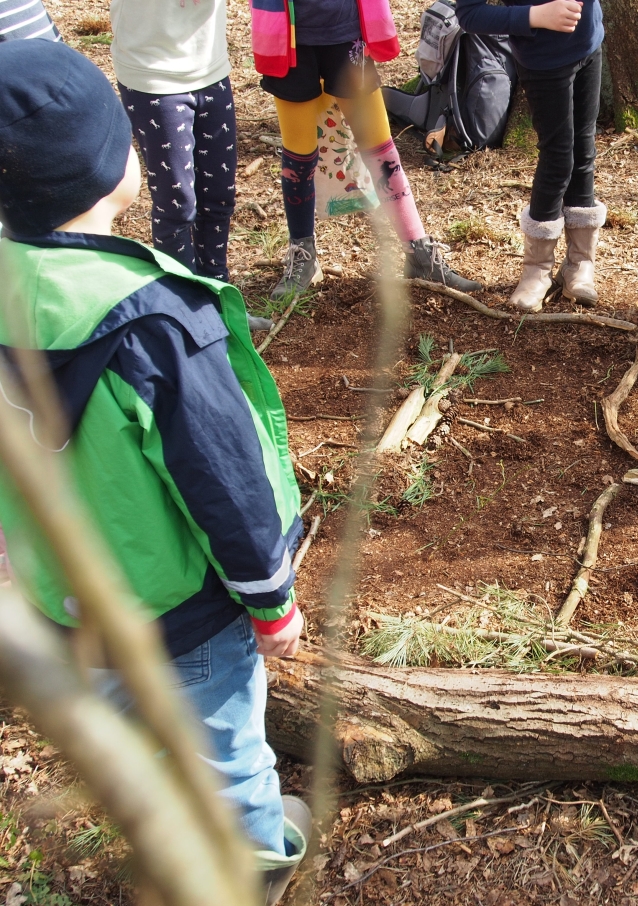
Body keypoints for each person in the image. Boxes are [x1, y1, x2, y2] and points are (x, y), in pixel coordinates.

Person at [0, 41, 308, 904]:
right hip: (188, 619)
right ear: (107, 170)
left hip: (67, 605)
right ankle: (248, 870)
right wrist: (270, 601)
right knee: (230, 754)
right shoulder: (155, 325)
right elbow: (223, 479)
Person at [253, 4, 482, 301]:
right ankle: (303, 255)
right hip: (286, 39)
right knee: (298, 155)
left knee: (379, 149)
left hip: (346, 33)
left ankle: (419, 254)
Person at [108, 0, 273, 329]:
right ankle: (183, 319)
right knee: (177, 207)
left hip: (210, 69)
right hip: (152, 75)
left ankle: (219, 306)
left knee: (219, 199)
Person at [457, 0, 606, 313]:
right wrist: (535, 16)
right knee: (558, 158)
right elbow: (469, 13)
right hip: (543, 59)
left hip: (588, 45)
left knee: (583, 153)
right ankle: (536, 270)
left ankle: (579, 265)